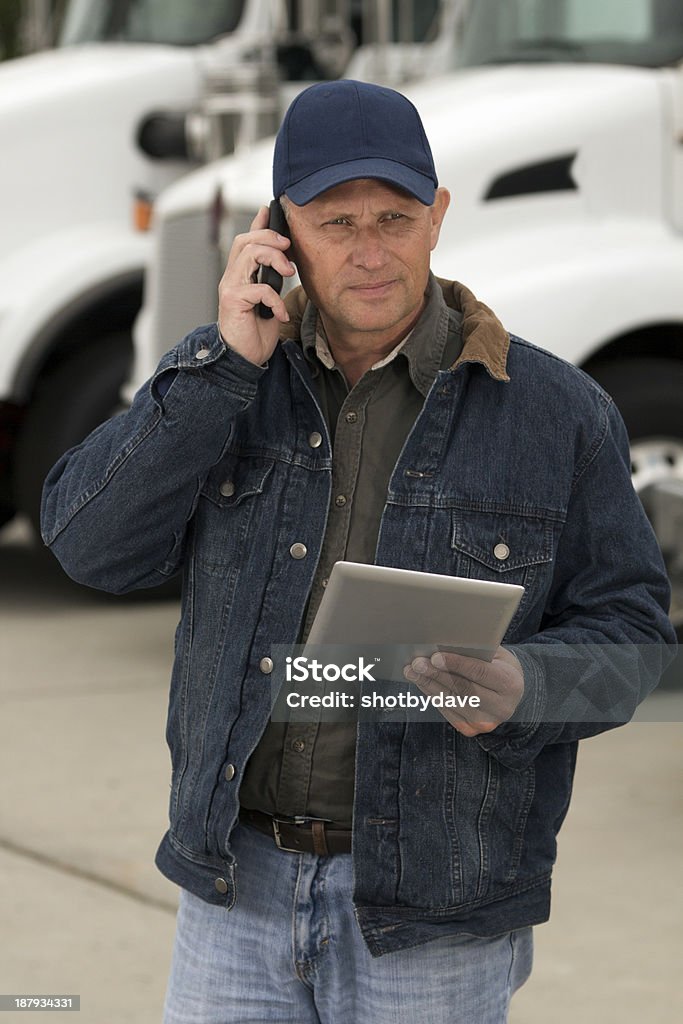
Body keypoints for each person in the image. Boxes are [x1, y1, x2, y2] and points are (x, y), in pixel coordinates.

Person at [41, 81, 675, 1023]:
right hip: (235, 894)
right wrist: (220, 370)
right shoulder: (222, 377)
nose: (371, 251)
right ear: (278, 231)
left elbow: (636, 649)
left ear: (438, 216)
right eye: (334, 223)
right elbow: (88, 548)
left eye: (395, 217)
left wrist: (526, 687)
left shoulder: (557, 412)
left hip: (434, 915)